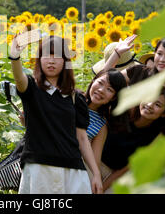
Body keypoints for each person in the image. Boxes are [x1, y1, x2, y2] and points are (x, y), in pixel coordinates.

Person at [9, 34, 103, 194]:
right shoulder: (31, 87)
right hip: (39, 167)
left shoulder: (76, 97)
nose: (51, 61)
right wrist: (14, 56)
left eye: (57, 57)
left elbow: (82, 138)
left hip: (73, 170)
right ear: (39, 60)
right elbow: (18, 77)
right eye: (46, 56)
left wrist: (96, 174)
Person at [99, 34, 165, 131]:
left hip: (149, 145)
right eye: (159, 54)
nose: (162, 59)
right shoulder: (138, 72)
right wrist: (117, 53)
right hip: (115, 136)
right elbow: (103, 80)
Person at [101, 86, 165, 192]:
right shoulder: (123, 112)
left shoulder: (157, 137)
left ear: (164, 113)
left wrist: (103, 187)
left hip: (115, 175)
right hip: (95, 163)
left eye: (157, 104)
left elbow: (126, 168)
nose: (150, 105)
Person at [81, 68, 127, 181]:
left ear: (114, 98)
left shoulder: (102, 124)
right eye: (100, 83)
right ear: (93, 81)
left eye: (109, 90)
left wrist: (96, 178)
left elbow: (94, 159)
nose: (101, 90)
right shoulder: (73, 99)